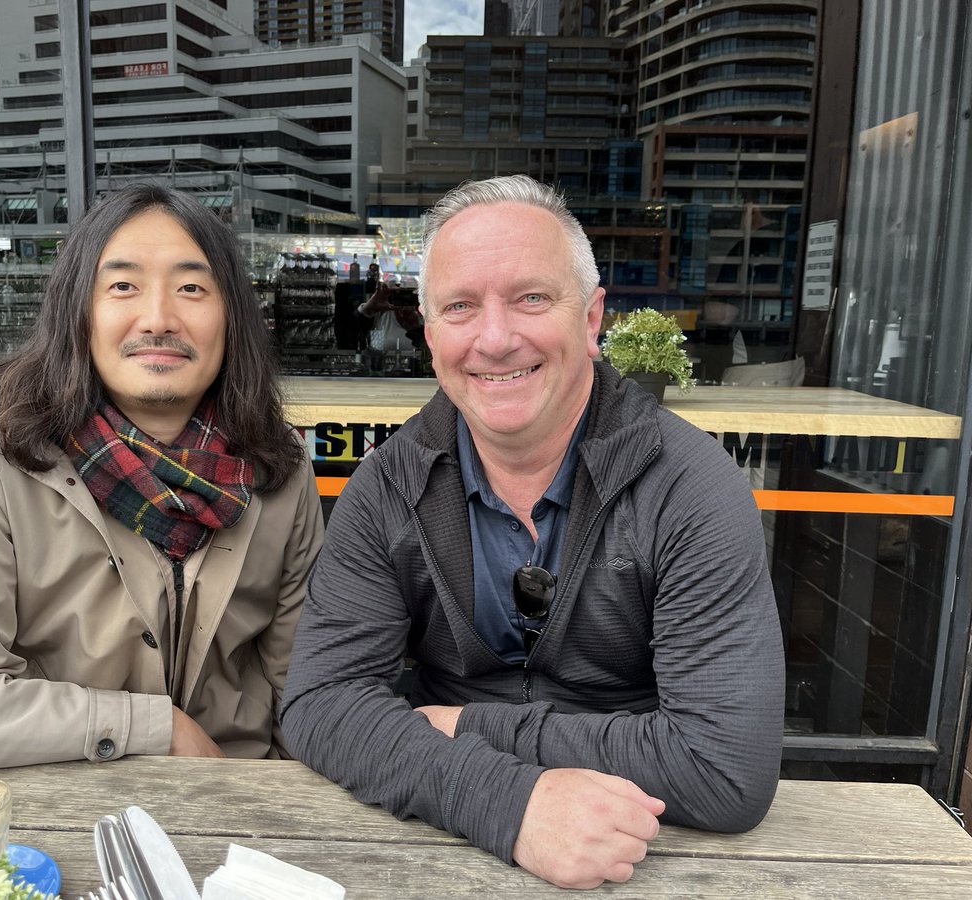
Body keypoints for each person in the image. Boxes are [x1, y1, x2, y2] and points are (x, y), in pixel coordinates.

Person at [280, 175, 785, 889]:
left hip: (647, 848)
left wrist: (465, 727)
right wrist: (509, 804)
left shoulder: (690, 488)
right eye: (460, 307)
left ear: (590, 319)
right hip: (431, 841)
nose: (494, 338)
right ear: (430, 336)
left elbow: (726, 768)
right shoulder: (387, 486)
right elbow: (319, 704)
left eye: (531, 298)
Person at [0, 183, 324, 768]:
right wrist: (155, 728)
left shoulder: (280, 470)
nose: (159, 319)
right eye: (122, 286)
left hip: (241, 794)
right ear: (79, 313)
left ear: (232, 318)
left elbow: (309, 689)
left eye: (192, 288)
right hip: (65, 796)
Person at [357, 283, 423, 374]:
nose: (404, 307)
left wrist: (417, 329)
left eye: (409, 301)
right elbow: (356, 332)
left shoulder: (425, 319)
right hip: (381, 377)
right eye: (399, 300)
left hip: (418, 378)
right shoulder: (384, 316)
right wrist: (369, 307)